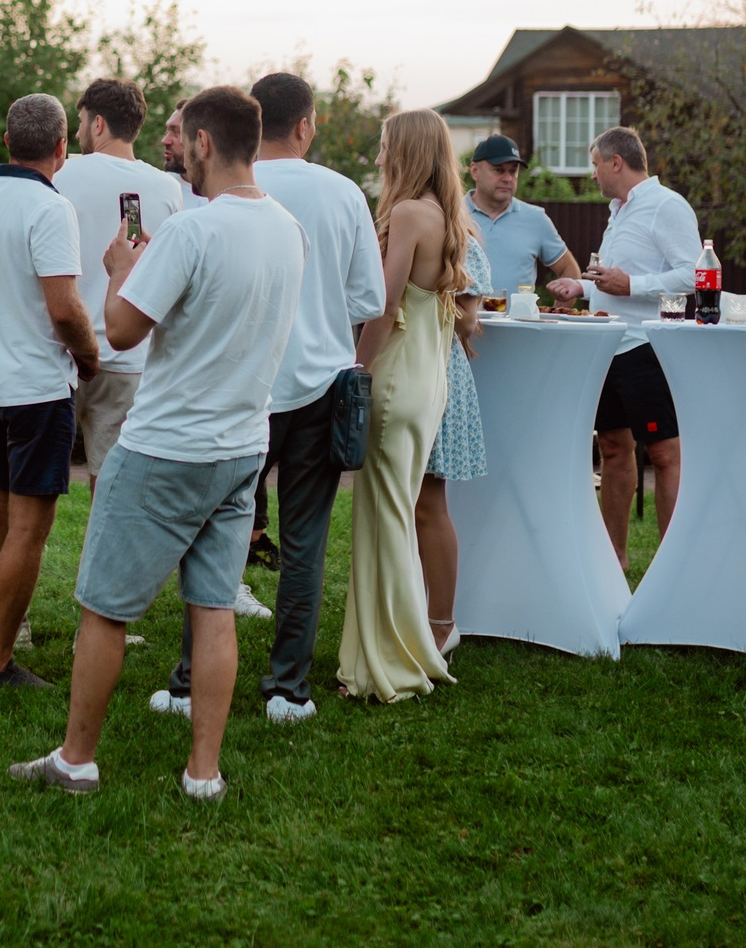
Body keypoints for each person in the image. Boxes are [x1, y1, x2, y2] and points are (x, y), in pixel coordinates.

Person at [7, 86, 306, 799]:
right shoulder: (285, 227)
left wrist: (118, 270)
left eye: (186, 141)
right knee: (212, 610)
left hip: (166, 446)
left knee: (104, 608)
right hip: (241, 447)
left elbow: (121, 329)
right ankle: (203, 772)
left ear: (203, 142)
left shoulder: (194, 230)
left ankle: (77, 759)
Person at [151, 71, 384, 726]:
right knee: (304, 540)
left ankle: (189, 679)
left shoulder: (224, 193)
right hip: (319, 385)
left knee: (212, 532)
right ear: (306, 124)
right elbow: (368, 300)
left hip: (238, 383)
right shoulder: (342, 194)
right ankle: (288, 686)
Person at [0, 92, 99, 689]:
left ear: (7, 142)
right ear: (62, 148)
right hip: (38, 388)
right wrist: (88, 358)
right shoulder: (51, 209)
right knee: (29, 526)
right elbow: (65, 309)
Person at [337, 108, 473, 703]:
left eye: (386, 145)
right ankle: (391, 648)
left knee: (386, 521)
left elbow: (383, 306)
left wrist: (356, 372)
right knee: (388, 515)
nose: (378, 156)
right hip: (427, 381)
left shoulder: (409, 215)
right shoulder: (448, 217)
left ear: (408, 151)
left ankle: (388, 663)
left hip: (394, 379)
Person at [577, 127, 702, 570]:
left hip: (646, 346)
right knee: (612, 447)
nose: (592, 174)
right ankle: (615, 560)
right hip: (607, 345)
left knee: (665, 454)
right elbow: (614, 277)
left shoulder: (667, 206)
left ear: (616, 162)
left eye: (595, 164)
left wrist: (634, 285)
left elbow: (694, 275)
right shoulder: (618, 211)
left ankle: (673, 565)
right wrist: (580, 287)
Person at [53, 78, 182, 488]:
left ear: (98, 124)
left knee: (39, 482)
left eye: (81, 121)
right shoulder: (167, 189)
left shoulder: (59, 174)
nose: (76, 132)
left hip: (60, 351)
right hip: (129, 356)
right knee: (110, 487)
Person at [418, 231, 491, 655]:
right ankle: (415, 614)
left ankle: (442, 625)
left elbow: (467, 319)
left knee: (428, 502)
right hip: (414, 365)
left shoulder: (456, 236)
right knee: (408, 505)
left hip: (435, 365)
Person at [464, 135, 583, 300]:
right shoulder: (452, 215)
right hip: (462, 325)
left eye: (513, 171)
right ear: (475, 171)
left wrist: (558, 316)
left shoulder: (535, 219)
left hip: (519, 326)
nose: (508, 178)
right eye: (498, 170)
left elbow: (569, 270)